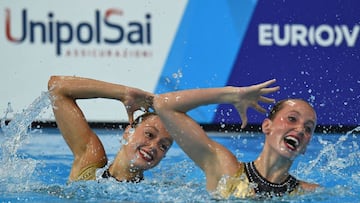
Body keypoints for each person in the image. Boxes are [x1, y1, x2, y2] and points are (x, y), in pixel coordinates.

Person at [152, 79, 319, 198]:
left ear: (305, 145)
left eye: (308, 128)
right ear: (267, 126)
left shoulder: (307, 192)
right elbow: (164, 105)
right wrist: (230, 95)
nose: (299, 130)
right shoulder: (227, 170)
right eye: (292, 119)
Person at [47, 76, 173, 183]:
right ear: (129, 131)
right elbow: (57, 88)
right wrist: (123, 93)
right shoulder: (90, 164)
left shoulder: (154, 195)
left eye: (163, 146)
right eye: (149, 134)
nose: (153, 147)